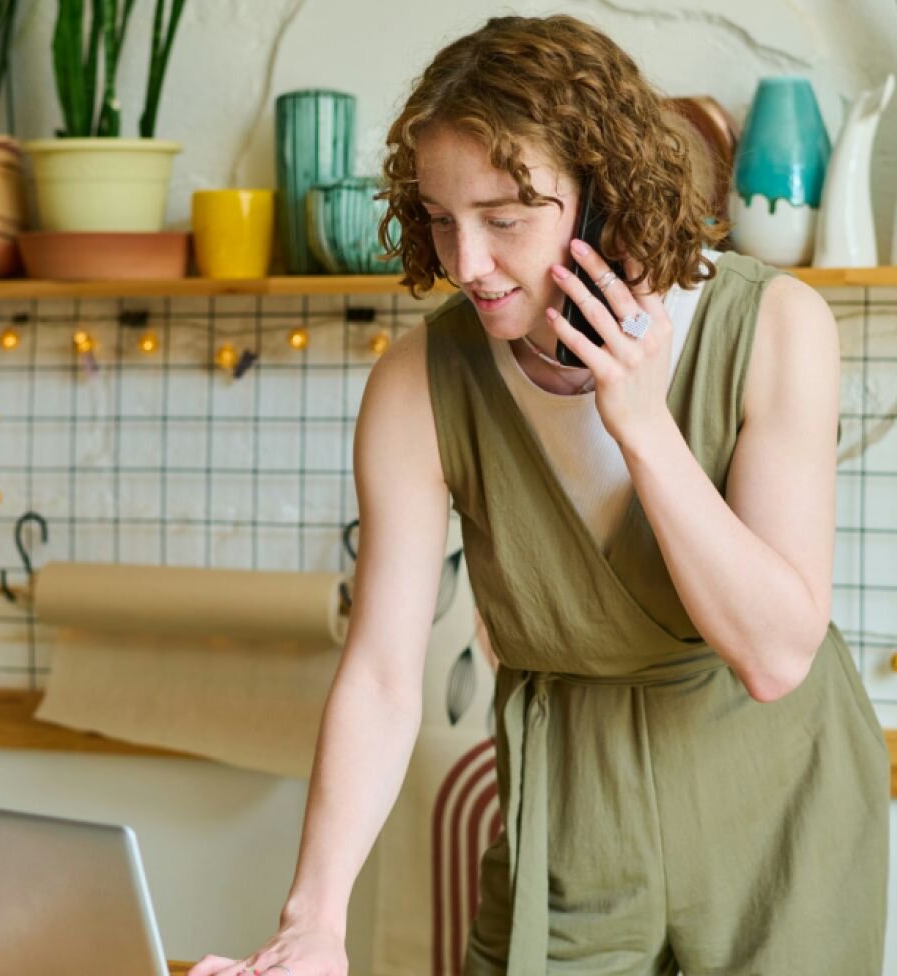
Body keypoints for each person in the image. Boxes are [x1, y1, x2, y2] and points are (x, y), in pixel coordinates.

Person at [190, 15, 889, 976]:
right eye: (441, 217)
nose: (464, 262)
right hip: (567, 811)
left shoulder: (775, 327)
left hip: (779, 802)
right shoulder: (415, 384)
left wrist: (642, 424)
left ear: (604, 198)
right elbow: (384, 676)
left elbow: (774, 655)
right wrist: (315, 920)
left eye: (504, 217)